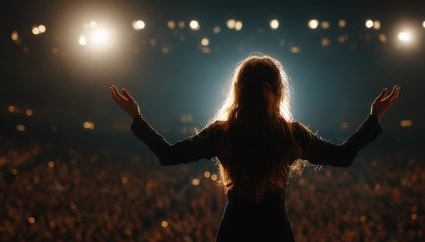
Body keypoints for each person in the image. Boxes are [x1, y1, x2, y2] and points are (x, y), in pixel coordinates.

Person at [110, 55, 400, 241]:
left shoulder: (223, 133)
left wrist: (137, 118)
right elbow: (343, 157)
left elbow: (168, 155)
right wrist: (373, 118)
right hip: (277, 235)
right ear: (280, 90)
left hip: (234, 233)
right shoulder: (290, 134)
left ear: (238, 88)